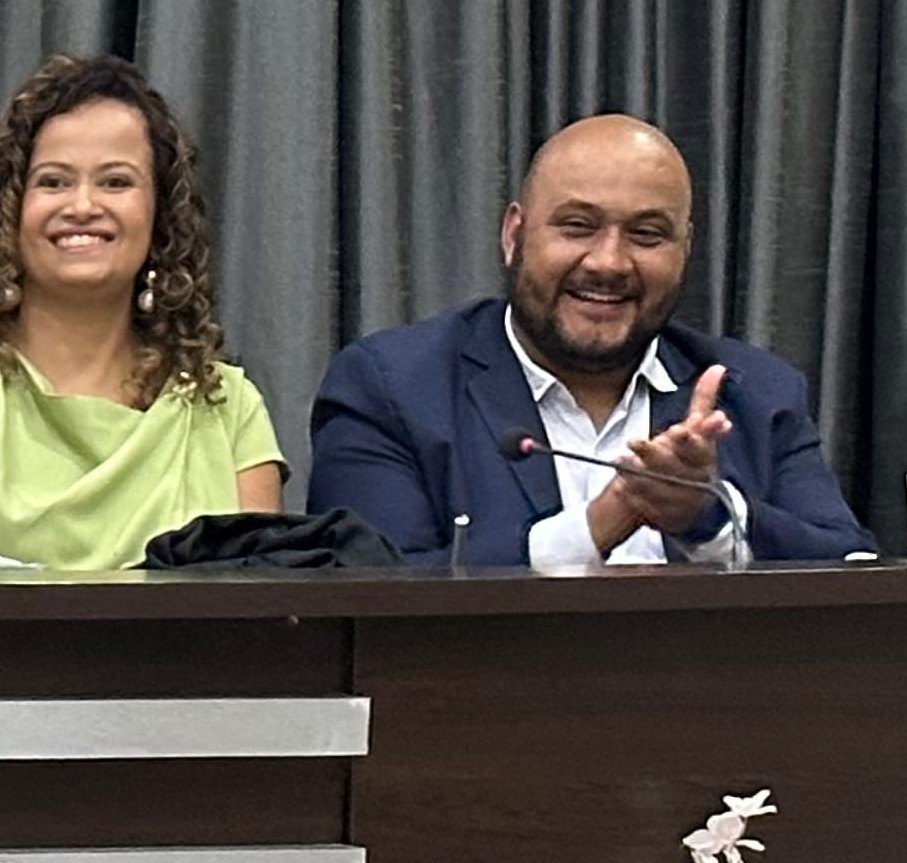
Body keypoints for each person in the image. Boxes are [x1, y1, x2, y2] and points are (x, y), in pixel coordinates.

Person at [307, 114, 875, 568]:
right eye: (577, 226)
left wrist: (709, 517)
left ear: (685, 248)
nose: (608, 262)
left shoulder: (754, 392)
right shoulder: (390, 387)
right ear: (515, 235)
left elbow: (854, 568)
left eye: (647, 234)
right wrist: (600, 522)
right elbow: (365, 587)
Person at [0, 52, 280, 571]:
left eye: (116, 182)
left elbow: (256, 638)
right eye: (53, 181)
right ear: (9, 210)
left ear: (161, 215)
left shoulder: (229, 409)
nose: (82, 206)